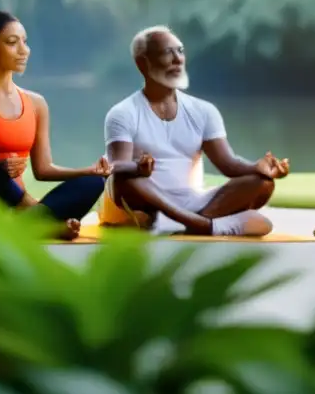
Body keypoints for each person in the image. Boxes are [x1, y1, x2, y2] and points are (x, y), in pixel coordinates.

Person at [99, 25, 290, 236]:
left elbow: (228, 164)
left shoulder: (204, 111)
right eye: (167, 52)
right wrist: (137, 168)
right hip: (144, 201)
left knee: (262, 184)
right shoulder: (123, 112)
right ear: (143, 63)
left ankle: (182, 224)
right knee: (124, 180)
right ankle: (203, 226)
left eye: (180, 51)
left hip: (191, 201)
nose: (177, 59)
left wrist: (257, 167)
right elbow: (114, 166)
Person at [0, 10, 109, 240]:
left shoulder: (36, 103)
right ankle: (43, 223)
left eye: (25, 42)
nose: (24, 50)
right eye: (12, 42)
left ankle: (30, 224)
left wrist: (88, 170)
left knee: (92, 183)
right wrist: (1, 166)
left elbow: (43, 169)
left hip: (19, 209)